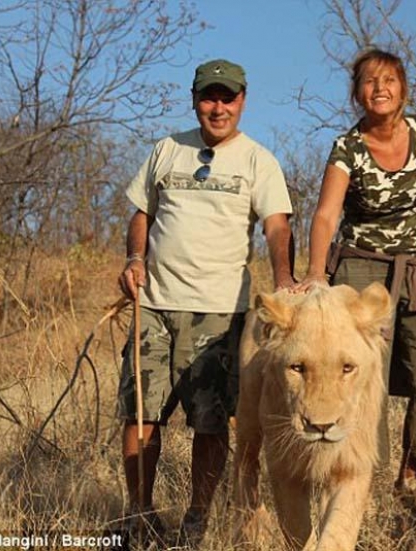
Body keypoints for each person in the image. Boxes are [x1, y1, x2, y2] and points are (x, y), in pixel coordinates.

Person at [117, 58, 295, 546]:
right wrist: (134, 258)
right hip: (152, 304)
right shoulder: (166, 150)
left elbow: (277, 225)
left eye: (228, 97)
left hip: (220, 312)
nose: (219, 107)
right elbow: (142, 211)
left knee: (211, 423)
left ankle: (197, 518)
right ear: (195, 99)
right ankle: (139, 513)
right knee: (140, 414)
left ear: (243, 100)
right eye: (209, 97)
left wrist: (283, 279)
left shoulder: (259, 160)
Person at [298, 48, 416, 512]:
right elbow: (325, 214)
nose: (379, 88)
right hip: (360, 270)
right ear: (357, 93)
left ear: (403, 88)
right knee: (363, 381)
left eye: (389, 80)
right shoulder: (347, 148)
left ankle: (410, 477)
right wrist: (318, 276)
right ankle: (362, 485)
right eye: (368, 81)